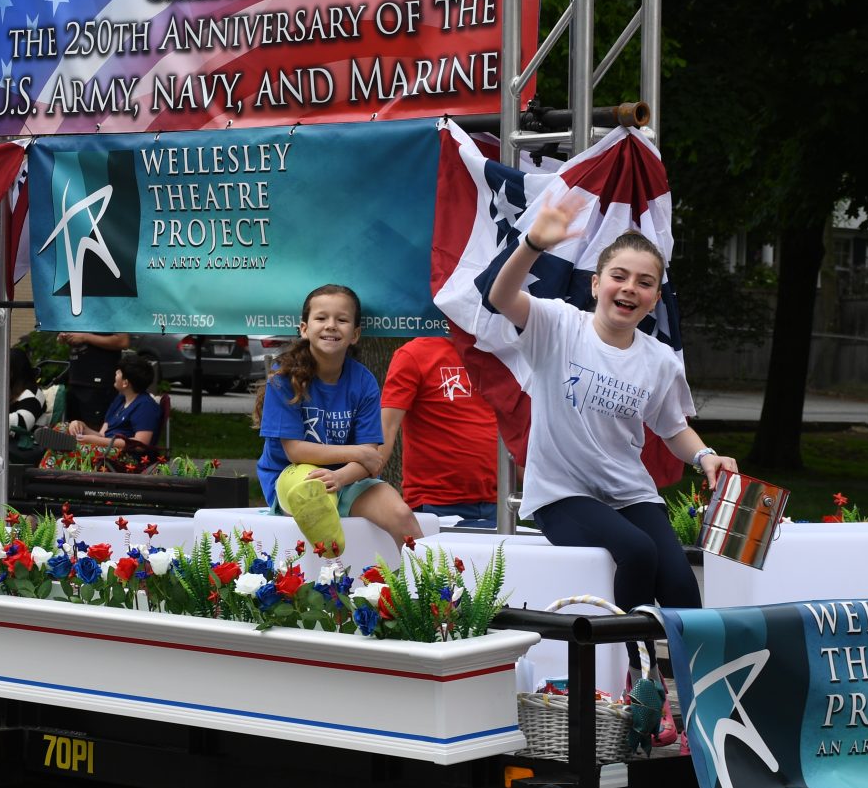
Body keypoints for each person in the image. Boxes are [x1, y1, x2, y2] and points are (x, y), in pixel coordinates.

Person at [487, 196, 733, 612]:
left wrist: (705, 455)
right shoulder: (558, 325)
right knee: (637, 551)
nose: (630, 288)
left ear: (655, 297)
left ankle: (689, 675)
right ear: (597, 284)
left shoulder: (659, 359)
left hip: (630, 493)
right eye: (619, 276)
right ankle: (637, 672)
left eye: (644, 282)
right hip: (560, 495)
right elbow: (501, 297)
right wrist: (532, 244)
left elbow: (673, 428)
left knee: (682, 587)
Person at [254, 284, 417, 554]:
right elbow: (295, 450)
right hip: (293, 476)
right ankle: (330, 561)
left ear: (354, 334)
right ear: (304, 328)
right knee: (314, 492)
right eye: (321, 318)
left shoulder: (363, 380)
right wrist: (357, 454)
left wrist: (341, 477)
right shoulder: (283, 377)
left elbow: (370, 459)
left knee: (402, 515)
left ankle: (433, 591)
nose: (331, 325)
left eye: (341, 320)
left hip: (346, 477)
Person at [380, 336, 500, 529]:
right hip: (435, 505)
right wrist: (361, 486)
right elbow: (386, 429)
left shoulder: (500, 350)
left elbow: (516, 431)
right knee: (441, 561)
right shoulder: (414, 353)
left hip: (498, 503)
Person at [60, 352, 162, 453]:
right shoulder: (120, 399)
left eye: (119, 372)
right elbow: (102, 435)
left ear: (125, 383)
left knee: (62, 448)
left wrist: (96, 441)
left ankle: (47, 467)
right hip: (105, 449)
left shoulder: (145, 406)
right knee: (63, 429)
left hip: (124, 457)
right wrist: (80, 426)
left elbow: (140, 444)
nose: (116, 372)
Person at [60, 331, 130, 426]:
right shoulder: (80, 316)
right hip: (76, 380)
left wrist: (85, 337)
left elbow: (123, 341)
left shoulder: (113, 315)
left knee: (94, 432)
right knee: (73, 432)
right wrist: (66, 337)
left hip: (98, 385)